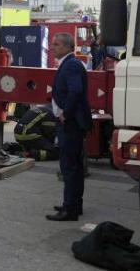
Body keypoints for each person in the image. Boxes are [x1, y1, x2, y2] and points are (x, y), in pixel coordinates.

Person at [47, 32, 92, 221]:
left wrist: (66, 113)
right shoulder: (68, 63)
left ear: (66, 46)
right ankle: (74, 204)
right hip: (72, 122)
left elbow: (76, 90)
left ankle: (70, 209)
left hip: (71, 123)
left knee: (69, 166)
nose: (52, 47)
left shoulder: (71, 65)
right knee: (75, 165)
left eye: (56, 44)